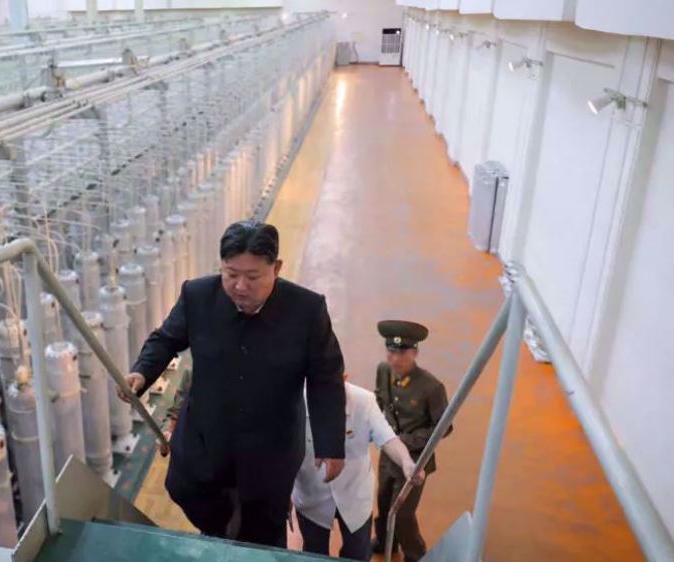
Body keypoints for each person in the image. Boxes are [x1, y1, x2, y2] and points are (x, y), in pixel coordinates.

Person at [123, 220, 346, 548]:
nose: (240, 286)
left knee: (264, 529)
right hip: (206, 438)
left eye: (252, 277)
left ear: (277, 268)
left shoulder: (308, 311)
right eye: (230, 274)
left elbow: (326, 378)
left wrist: (330, 443)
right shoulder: (197, 296)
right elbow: (166, 339)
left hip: (270, 447)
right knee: (187, 491)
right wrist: (142, 373)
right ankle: (220, 532)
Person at [292, 374, 423, 561]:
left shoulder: (364, 401)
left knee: (357, 553)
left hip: (355, 494)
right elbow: (282, 451)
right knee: (314, 553)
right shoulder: (295, 403)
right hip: (311, 496)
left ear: (344, 377)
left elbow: (387, 438)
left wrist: (406, 462)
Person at [372, 320, 451, 562]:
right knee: (384, 502)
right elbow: (379, 402)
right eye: (391, 352)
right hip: (388, 453)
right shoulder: (383, 371)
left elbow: (444, 427)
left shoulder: (431, 387)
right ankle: (386, 541)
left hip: (416, 457)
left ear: (415, 352)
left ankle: (415, 554)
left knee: (404, 512)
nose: (395, 359)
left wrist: (407, 440)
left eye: (402, 352)